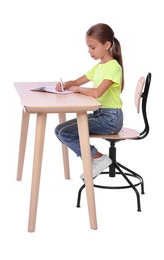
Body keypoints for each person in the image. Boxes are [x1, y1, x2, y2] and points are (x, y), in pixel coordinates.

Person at [55, 23, 124, 179]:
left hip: (110, 120)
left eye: (92, 47)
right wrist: (65, 85)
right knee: (59, 130)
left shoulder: (113, 67)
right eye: (88, 47)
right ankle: (95, 158)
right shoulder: (99, 66)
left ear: (107, 45)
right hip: (99, 115)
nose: (89, 51)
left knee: (66, 134)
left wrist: (78, 90)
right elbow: (78, 81)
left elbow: (97, 92)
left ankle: (98, 158)